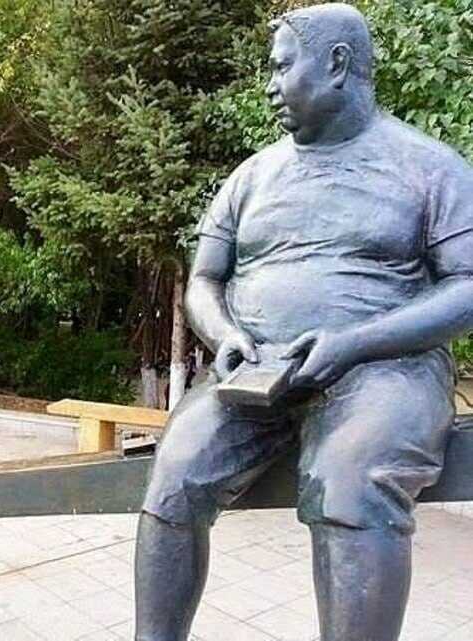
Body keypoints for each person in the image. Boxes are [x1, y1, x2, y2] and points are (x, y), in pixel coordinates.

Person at [135, 4, 473, 641]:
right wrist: (225, 335)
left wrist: (353, 343)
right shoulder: (252, 177)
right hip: (255, 374)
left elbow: (469, 286)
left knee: (350, 479)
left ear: (337, 64)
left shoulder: (430, 168)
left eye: (282, 68)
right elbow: (204, 281)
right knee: (175, 474)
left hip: (385, 371)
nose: (270, 86)